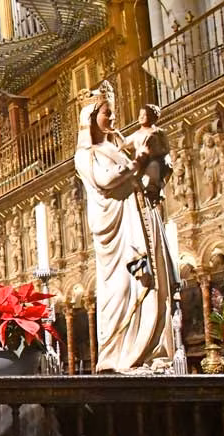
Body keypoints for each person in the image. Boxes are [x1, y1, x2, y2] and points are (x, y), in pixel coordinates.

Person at [74, 81, 174, 373]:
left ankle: (146, 353)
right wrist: (139, 160)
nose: (112, 118)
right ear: (91, 117)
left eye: (113, 112)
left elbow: (135, 178)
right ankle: (118, 356)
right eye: (107, 112)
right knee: (121, 287)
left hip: (137, 223)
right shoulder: (86, 154)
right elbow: (105, 181)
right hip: (117, 234)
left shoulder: (116, 145)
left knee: (149, 283)